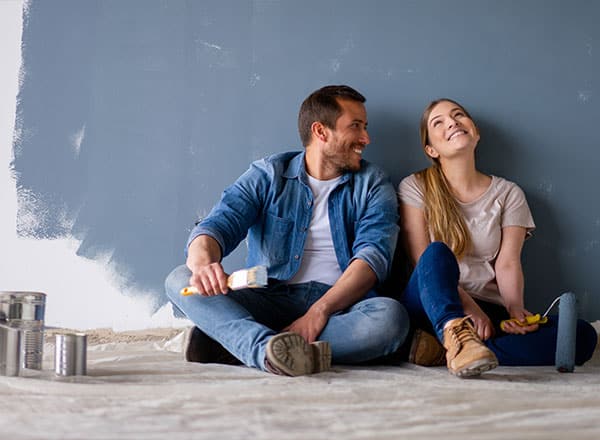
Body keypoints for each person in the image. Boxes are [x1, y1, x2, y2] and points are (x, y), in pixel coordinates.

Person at [165, 85, 409, 376]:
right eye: (355, 127)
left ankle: (235, 344)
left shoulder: (373, 183)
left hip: (341, 306)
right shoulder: (268, 174)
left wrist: (319, 311)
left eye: (365, 127)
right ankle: (266, 351)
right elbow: (219, 223)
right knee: (180, 279)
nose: (366, 138)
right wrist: (203, 263)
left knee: (391, 320)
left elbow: (373, 258)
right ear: (321, 132)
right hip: (267, 296)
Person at [397, 98, 598, 377]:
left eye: (458, 115)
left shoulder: (508, 193)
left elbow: (507, 263)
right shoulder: (415, 186)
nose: (452, 122)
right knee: (437, 253)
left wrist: (515, 310)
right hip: (433, 306)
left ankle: (447, 351)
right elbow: (421, 259)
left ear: (475, 132)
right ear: (431, 149)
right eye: (438, 122)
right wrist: (467, 309)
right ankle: (455, 336)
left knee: (582, 335)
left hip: (490, 313)